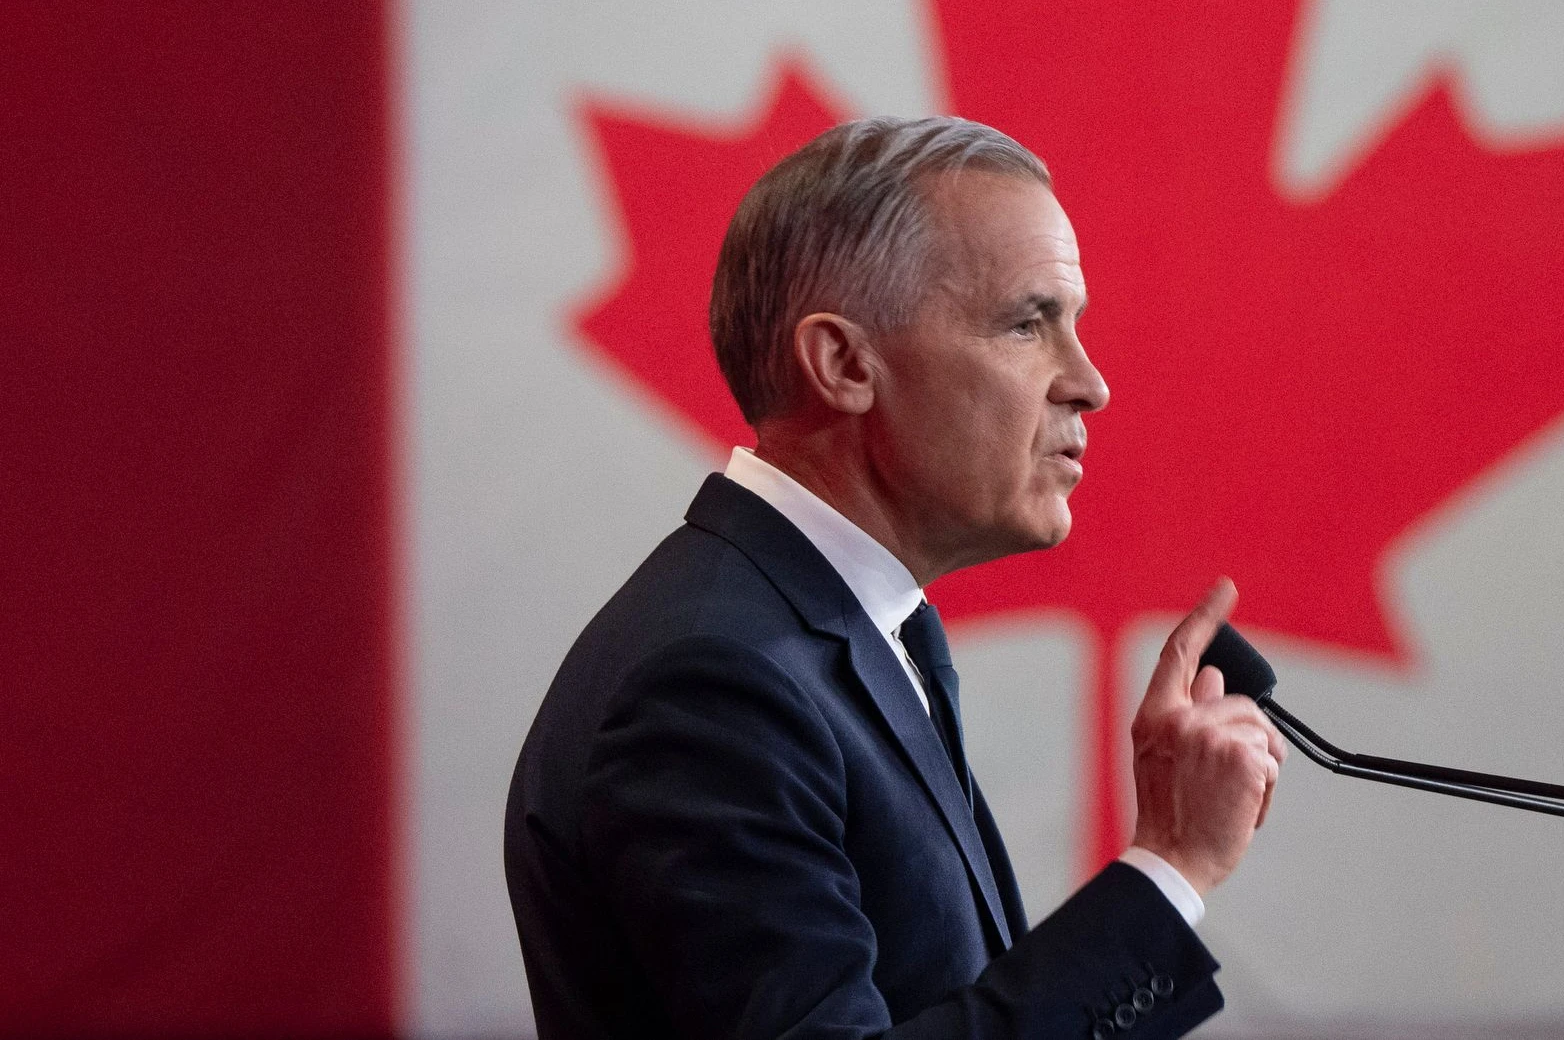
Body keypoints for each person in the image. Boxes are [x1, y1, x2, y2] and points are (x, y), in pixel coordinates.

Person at [504, 116, 1285, 1040]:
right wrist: (1171, 863)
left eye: (1071, 325)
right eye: (1026, 324)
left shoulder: (847, 630)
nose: (1089, 382)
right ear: (843, 363)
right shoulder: (715, 682)